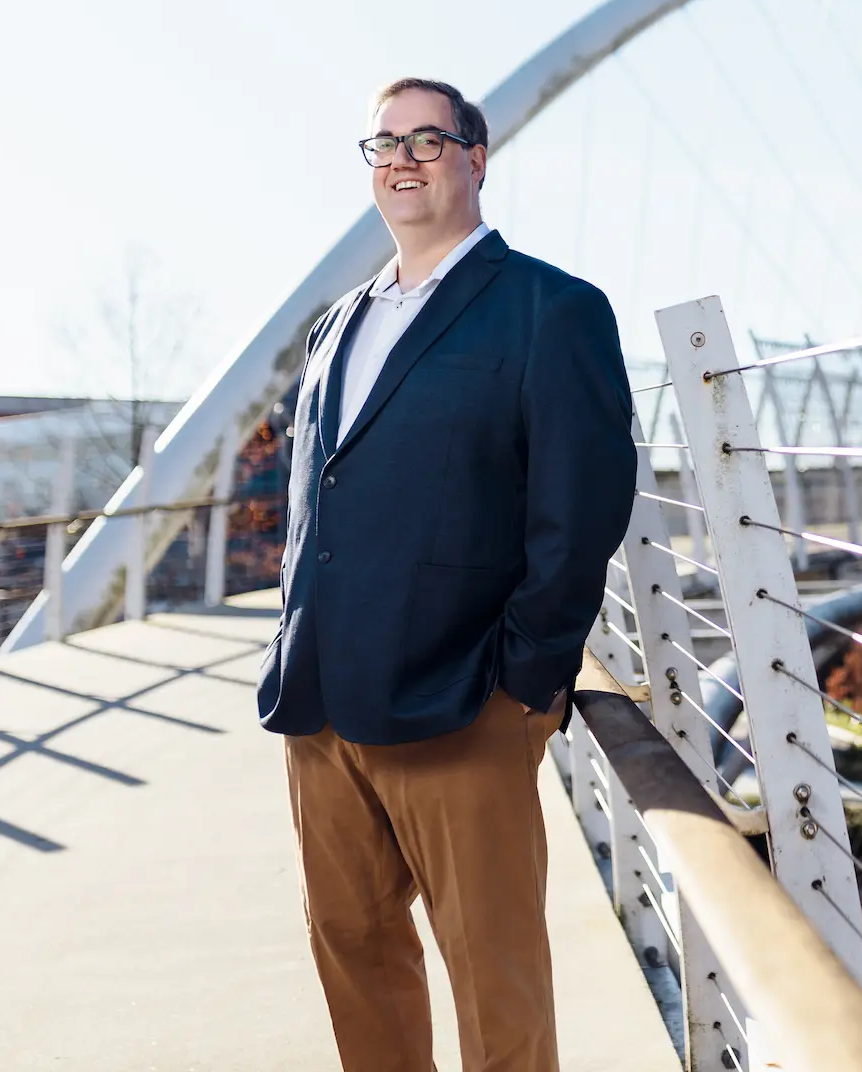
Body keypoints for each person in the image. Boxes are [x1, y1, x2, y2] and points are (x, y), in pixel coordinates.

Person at [258, 76, 637, 1071]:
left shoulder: (551, 309)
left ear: (476, 157)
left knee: (492, 977)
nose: (403, 159)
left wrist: (525, 681)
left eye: (427, 139)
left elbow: (580, 508)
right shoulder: (335, 324)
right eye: (383, 143)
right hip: (322, 703)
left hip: (462, 702)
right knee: (352, 950)